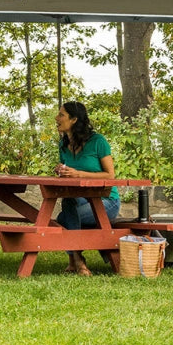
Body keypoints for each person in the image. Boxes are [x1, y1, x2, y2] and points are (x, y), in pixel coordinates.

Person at [54, 100, 120, 276]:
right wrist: (62, 171)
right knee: (68, 203)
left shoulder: (98, 141)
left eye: (61, 115)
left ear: (74, 119)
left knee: (62, 218)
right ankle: (77, 259)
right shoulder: (63, 145)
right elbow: (69, 172)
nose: (56, 118)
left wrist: (78, 174)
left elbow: (110, 175)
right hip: (81, 200)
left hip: (107, 202)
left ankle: (75, 259)